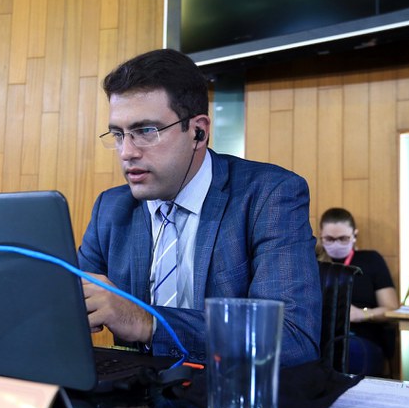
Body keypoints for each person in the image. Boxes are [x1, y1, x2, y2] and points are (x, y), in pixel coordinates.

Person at [77, 48, 321, 367]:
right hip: (136, 390)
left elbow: (291, 338)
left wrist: (148, 322)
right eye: (118, 135)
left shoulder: (268, 195)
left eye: (145, 131)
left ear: (198, 131)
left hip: (227, 390)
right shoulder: (111, 208)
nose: (127, 152)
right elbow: (66, 305)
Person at [317, 207, 399, 376]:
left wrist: (362, 314)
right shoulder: (315, 263)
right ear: (321, 236)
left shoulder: (371, 260)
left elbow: (392, 309)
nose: (336, 244)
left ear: (354, 235)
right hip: (321, 335)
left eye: (343, 238)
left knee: (342, 353)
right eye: (329, 239)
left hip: (359, 337)